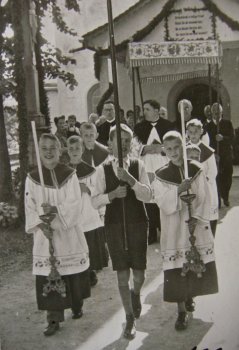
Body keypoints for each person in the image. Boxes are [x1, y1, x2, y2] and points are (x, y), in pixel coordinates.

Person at [25, 133, 90, 336]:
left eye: (52, 148)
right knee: (50, 273)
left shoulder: (69, 175)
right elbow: (30, 205)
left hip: (67, 232)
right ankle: (53, 318)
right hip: (45, 236)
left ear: (59, 150)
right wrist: (40, 223)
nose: (48, 152)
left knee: (71, 272)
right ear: (39, 152)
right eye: (44, 148)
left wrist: (54, 211)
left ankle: (76, 304)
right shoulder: (32, 178)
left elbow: (74, 203)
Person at [152, 131, 218, 331]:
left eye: (177, 147)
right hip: (174, 228)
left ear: (183, 147)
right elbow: (161, 201)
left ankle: (190, 295)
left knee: (193, 262)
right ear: (164, 150)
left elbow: (205, 196)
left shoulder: (196, 169)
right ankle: (181, 311)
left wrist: (196, 217)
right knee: (176, 266)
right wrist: (178, 190)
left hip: (194, 225)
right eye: (169, 149)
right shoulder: (161, 174)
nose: (173, 152)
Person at [92, 124, 151, 340]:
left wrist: (130, 180)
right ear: (110, 144)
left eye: (127, 141)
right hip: (114, 225)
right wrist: (112, 195)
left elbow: (148, 195)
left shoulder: (138, 165)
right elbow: (93, 201)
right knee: (122, 275)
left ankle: (135, 294)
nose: (124, 145)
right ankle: (129, 319)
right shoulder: (102, 170)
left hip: (137, 223)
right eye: (119, 141)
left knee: (139, 274)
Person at [67, 135, 108, 287]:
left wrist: (86, 188)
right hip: (73, 213)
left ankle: (90, 270)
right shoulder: (64, 171)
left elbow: (97, 189)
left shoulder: (91, 170)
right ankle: (79, 272)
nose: (74, 151)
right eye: (71, 149)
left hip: (88, 211)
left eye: (77, 148)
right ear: (67, 151)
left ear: (82, 149)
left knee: (89, 243)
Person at [134, 99, 172, 244]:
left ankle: (164, 229)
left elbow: (173, 145)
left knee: (162, 195)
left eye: (147, 109)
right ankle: (151, 232)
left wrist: (161, 149)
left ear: (157, 110)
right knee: (149, 197)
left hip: (163, 164)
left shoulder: (168, 125)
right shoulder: (139, 127)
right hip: (147, 166)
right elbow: (135, 147)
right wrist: (147, 148)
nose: (144, 112)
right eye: (144, 109)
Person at [186, 119, 219, 236]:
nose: (193, 134)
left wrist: (203, 183)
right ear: (187, 133)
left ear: (201, 132)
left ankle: (210, 239)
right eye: (190, 132)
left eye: (196, 131)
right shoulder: (185, 150)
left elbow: (213, 172)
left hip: (207, 187)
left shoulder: (207, 151)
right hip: (191, 187)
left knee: (208, 213)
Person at [205, 103, 234, 207]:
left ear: (222, 113)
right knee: (216, 178)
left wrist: (223, 138)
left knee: (227, 178)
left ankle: (225, 196)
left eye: (218, 113)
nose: (216, 115)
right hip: (214, 156)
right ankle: (217, 200)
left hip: (226, 157)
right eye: (214, 113)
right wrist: (213, 154)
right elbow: (206, 143)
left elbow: (233, 139)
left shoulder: (228, 123)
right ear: (211, 113)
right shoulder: (207, 126)